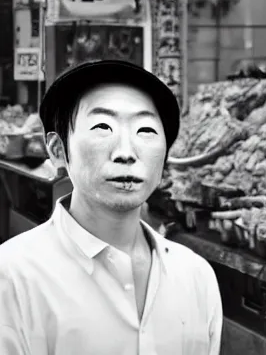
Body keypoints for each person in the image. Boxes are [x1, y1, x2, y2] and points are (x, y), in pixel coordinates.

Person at [0, 60, 222, 355]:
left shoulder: (196, 277)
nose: (126, 153)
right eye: (103, 127)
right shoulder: (13, 276)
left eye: (145, 130)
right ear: (57, 150)